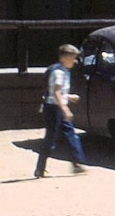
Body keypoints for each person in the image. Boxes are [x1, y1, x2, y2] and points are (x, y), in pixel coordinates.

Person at [34, 44, 87, 178]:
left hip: (57, 106)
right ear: (66, 57)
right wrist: (65, 109)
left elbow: (57, 92)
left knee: (70, 134)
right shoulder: (59, 72)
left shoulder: (63, 71)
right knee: (51, 138)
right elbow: (56, 92)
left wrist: (69, 96)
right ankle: (40, 168)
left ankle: (77, 163)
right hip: (54, 108)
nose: (75, 61)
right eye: (73, 58)